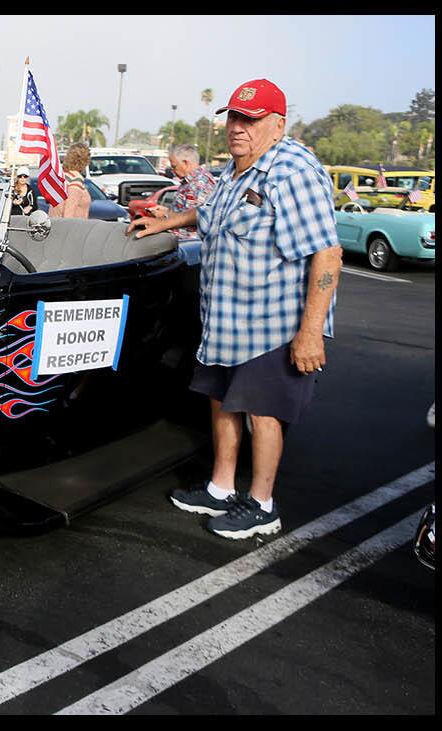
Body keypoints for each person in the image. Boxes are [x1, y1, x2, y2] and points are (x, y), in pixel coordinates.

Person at [128, 78, 342, 541]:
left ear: (278, 125)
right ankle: (221, 487)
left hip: (272, 323)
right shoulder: (234, 170)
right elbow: (210, 216)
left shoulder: (292, 171)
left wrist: (310, 333)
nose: (238, 127)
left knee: (263, 411)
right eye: (234, 117)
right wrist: (166, 221)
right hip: (225, 320)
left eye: (252, 118)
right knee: (222, 402)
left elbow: (327, 254)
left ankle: (262, 505)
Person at [141, 144, 216, 240]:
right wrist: (166, 211)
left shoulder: (199, 184)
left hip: (188, 244)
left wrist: (165, 215)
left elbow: (196, 217)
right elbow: (186, 211)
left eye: (174, 166)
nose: (172, 171)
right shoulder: (191, 181)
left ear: (185, 163)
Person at [49, 143, 91, 219]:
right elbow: (68, 214)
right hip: (73, 228)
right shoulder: (75, 180)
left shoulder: (62, 178)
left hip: (54, 224)